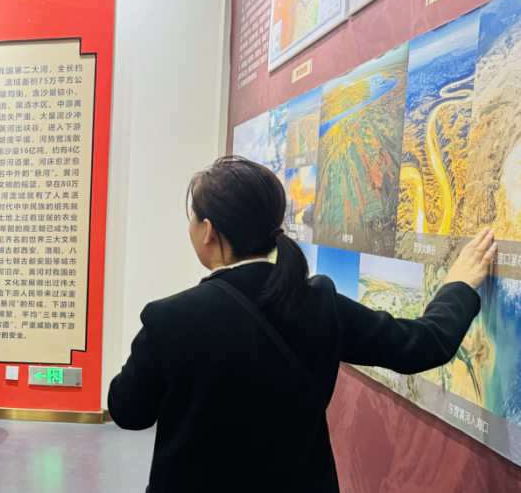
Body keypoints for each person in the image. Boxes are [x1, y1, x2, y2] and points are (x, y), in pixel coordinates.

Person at [108, 156, 496, 493]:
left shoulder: (168, 319)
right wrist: (459, 286)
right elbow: (423, 345)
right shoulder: (321, 304)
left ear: (208, 230)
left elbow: (128, 412)